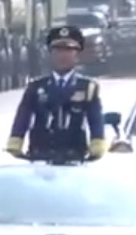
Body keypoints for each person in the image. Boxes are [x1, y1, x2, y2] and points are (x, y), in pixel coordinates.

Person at [8, 25, 109, 162]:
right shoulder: (36, 87)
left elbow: (95, 119)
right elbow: (23, 117)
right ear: (50, 54)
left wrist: (97, 145)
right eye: (58, 50)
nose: (63, 55)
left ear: (77, 55)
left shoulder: (87, 87)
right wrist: (16, 142)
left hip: (74, 157)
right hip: (40, 156)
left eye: (68, 50)